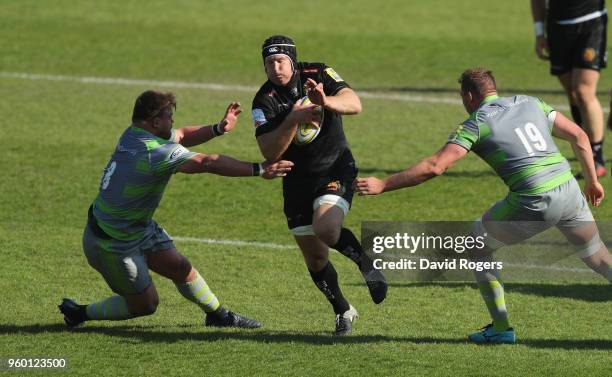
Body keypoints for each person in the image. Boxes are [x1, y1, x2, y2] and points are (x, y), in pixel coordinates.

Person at [356, 68, 612, 344]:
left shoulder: (477, 123)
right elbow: (579, 136)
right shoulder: (530, 102)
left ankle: (501, 327)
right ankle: (500, 328)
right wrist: (591, 182)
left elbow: (435, 166)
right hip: (570, 190)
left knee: (476, 244)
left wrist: (384, 184)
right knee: (598, 257)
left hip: (535, 198)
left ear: (469, 95)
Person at [59, 90, 293, 329]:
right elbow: (207, 162)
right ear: (156, 122)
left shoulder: (134, 134)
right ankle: (80, 313)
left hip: (136, 227)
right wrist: (260, 169)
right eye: (169, 116)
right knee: (146, 304)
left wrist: (218, 128)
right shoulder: (155, 153)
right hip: (111, 242)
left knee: (180, 267)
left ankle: (218, 316)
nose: (173, 122)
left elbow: (180, 135)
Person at [251, 35, 387, 335]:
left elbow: (354, 103)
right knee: (315, 258)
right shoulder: (264, 101)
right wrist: (293, 119)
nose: (275, 67)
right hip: (297, 181)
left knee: (326, 229)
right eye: (269, 62)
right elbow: (270, 151)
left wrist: (326, 101)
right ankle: (343, 310)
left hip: (335, 167)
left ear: (292, 60)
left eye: (281, 61)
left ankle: (368, 266)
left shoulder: (318, 73)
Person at [531, 0, 608, 177]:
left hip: (591, 23)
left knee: (583, 91)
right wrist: (539, 33)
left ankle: (596, 157)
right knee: (572, 92)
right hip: (558, 28)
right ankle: (586, 146)